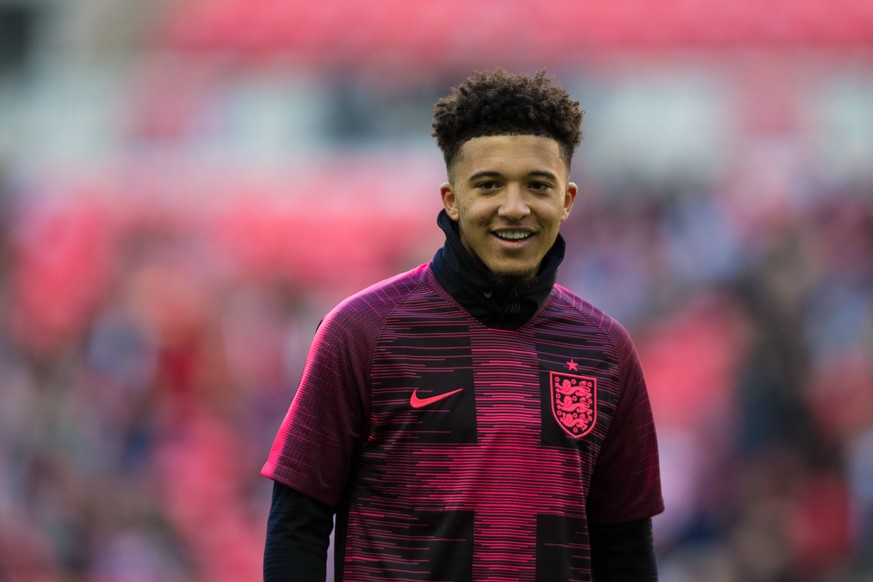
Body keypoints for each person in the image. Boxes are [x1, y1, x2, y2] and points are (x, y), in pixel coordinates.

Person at [262, 69, 664, 581]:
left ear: (566, 199)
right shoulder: (361, 332)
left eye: (537, 185)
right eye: (489, 185)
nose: (513, 207)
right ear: (452, 199)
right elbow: (298, 523)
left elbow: (625, 547)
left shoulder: (605, 349)